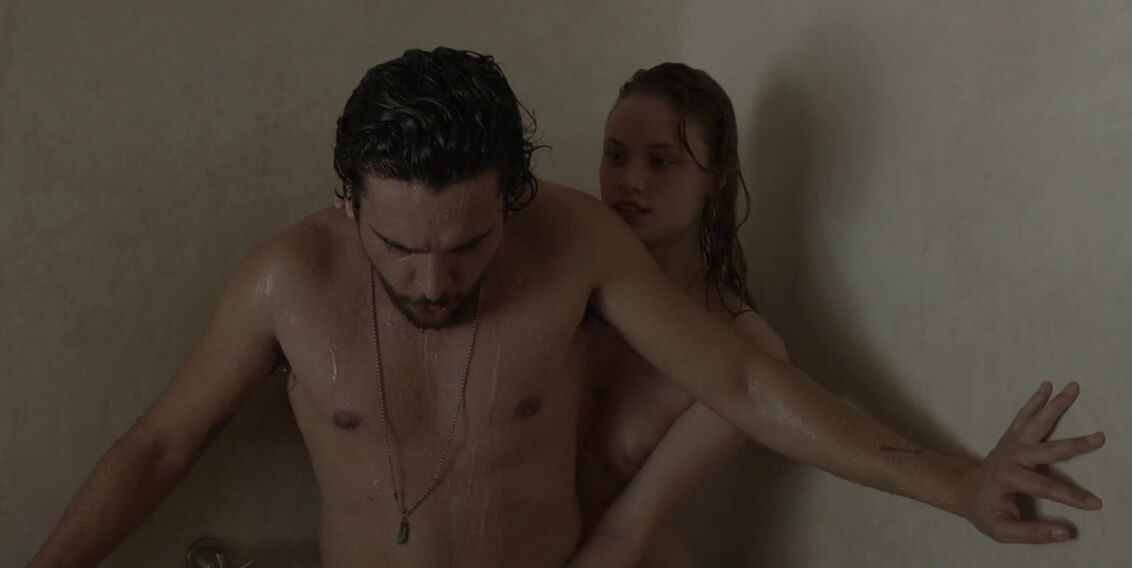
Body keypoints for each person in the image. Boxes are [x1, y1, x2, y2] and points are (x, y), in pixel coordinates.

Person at [29, 48, 1105, 568]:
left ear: (517, 196)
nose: (432, 281)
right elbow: (161, 443)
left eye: (467, 245)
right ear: (346, 201)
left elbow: (743, 379)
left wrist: (956, 482)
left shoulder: (579, 244)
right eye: (398, 248)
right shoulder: (285, 281)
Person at [569, 62, 788, 567]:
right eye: (616, 156)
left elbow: (625, 532)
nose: (630, 180)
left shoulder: (744, 346)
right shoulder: (566, 289)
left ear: (715, 180)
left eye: (661, 161)